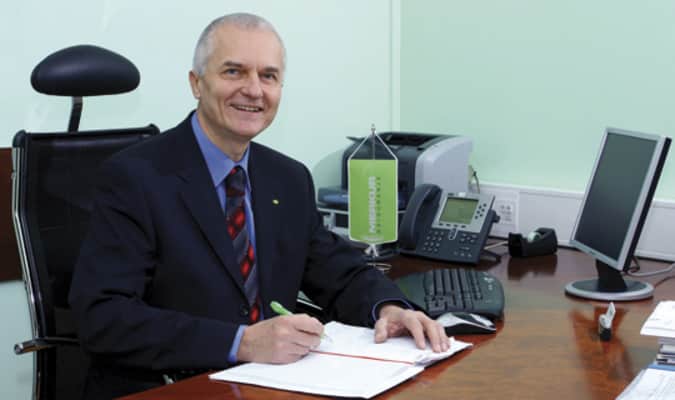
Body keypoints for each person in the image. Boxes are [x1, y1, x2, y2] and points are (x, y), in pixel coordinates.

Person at [69, 12, 449, 399]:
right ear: (196, 83)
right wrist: (241, 342)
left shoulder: (288, 177)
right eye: (234, 71)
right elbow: (103, 317)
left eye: (268, 76)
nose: (254, 90)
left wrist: (388, 308)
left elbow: (337, 271)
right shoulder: (135, 177)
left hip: (267, 385)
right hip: (170, 386)